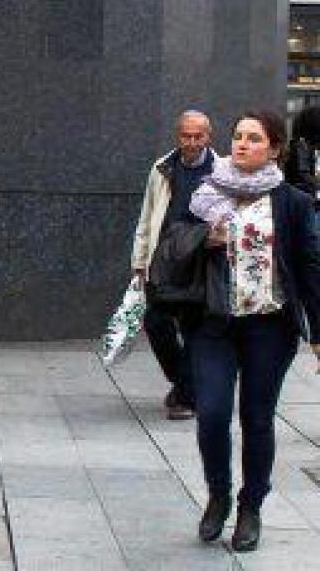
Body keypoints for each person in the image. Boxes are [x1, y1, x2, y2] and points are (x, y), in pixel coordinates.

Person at [186, 110, 320, 552]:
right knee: (211, 413)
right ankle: (219, 494)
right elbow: (175, 237)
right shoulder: (205, 191)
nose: (242, 144)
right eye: (238, 136)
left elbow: (309, 267)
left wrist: (317, 333)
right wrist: (204, 238)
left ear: (274, 149)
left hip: (270, 326)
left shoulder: (293, 202)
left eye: (254, 138)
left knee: (257, 419)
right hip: (213, 323)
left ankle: (251, 507)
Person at [130, 110, 218, 420]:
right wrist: (139, 262)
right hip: (165, 263)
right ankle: (186, 384)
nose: (192, 142)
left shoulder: (222, 171)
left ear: (209, 136)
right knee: (156, 324)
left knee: (194, 330)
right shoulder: (162, 168)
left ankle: (184, 396)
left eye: (198, 136)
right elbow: (147, 215)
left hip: (201, 266)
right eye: (186, 136)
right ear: (177, 136)